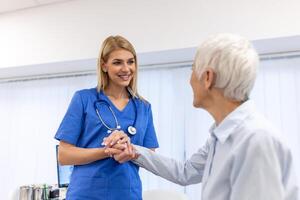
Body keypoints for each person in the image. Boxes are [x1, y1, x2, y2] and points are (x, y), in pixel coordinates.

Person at [104, 33, 299, 200]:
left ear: (207, 77)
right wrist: (131, 148)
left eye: (192, 69)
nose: (190, 80)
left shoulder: (255, 140)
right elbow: (184, 171)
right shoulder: (221, 136)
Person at [54, 35, 159, 200]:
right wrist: (107, 151)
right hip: (86, 194)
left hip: (127, 193)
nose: (126, 69)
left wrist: (129, 150)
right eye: (117, 62)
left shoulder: (144, 107)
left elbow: (150, 155)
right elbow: (64, 155)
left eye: (130, 62)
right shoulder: (84, 99)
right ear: (104, 65)